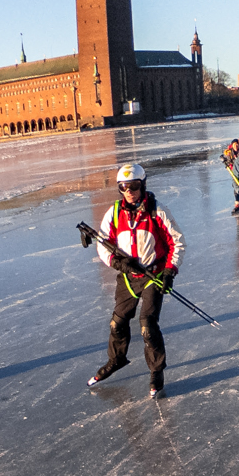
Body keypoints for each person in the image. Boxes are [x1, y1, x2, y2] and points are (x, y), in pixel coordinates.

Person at [87, 163, 182, 400]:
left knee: (147, 325)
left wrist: (170, 271)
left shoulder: (157, 211)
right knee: (117, 323)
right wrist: (118, 263)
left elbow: (176, 242)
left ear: (143, 184)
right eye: (123, 187)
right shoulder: (114, 212)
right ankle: (116, 359)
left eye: (134, 186)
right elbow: (102, 243)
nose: (129, 191)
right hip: (128, 277)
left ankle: (156, 372)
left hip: (154, 275)